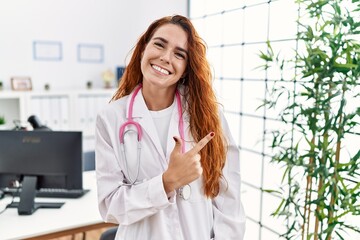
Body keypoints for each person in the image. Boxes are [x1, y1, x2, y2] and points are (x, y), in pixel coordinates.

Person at [95, 14, 246, 239]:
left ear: (185, 68)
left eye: (179, 54)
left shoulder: (207, 116)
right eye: (159, 44)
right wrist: (166, 182)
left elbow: (229, 199)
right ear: (143, 49)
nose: (166, 57)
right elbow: (110, 206)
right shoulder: (111, 118)